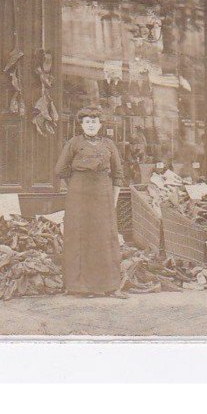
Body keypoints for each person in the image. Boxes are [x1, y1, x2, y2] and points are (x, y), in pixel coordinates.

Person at [55, 105, 127, 298]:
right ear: (81, 125)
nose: (91, 125)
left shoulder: (109, 145)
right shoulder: (74, 143)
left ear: (101, 124)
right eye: (87, 122)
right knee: (80, 237)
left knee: (105, 238)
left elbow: (118, 174)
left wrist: (113, 200)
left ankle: (110, 286)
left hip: (103, 194)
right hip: (79, 194)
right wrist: (78, 184)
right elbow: (60, 169)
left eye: (94, 122)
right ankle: (80, 287)